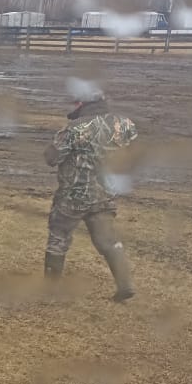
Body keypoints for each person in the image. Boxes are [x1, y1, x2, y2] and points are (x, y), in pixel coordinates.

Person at [44, 89, 138, 302]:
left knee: (58, 237)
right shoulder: (124, 125)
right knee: (108, 240)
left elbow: (52, 157)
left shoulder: (75, 128)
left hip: (73, 197)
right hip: (104, 194)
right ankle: (125, 285)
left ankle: (50, 292)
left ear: (82, 104)